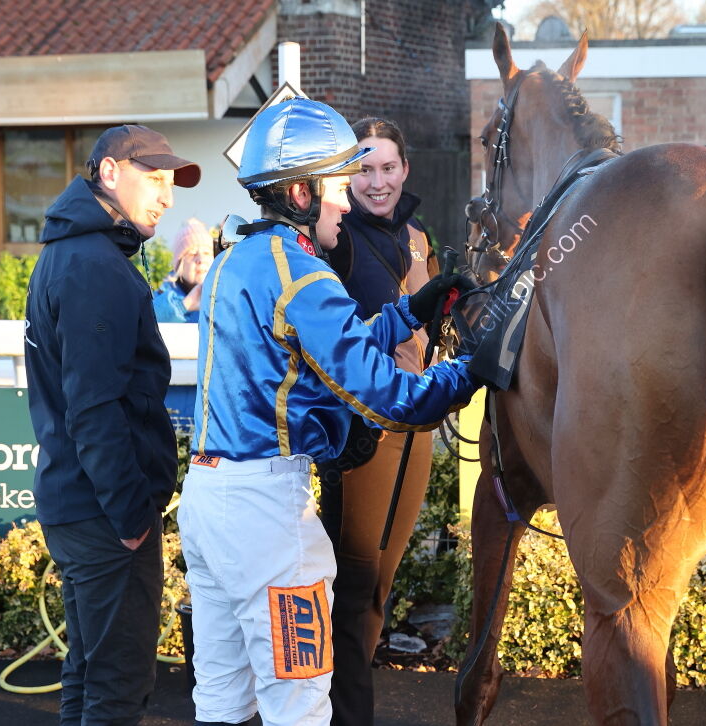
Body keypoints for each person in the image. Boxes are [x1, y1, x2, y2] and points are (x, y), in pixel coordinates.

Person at [178, 97, 476, 726]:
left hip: (207, 503)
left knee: (222, 702)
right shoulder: (304, 274)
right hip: (268, 518)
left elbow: (330, 345)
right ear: (301, 192)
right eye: (339, 186)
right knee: (301, 703)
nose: (346, 202)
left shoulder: (234, 260)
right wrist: (473, 369)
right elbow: (391, 396)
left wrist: (412, 309)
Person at [24, 124, 200, 725]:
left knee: (89, 676)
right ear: (108, 173)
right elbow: (93, 408)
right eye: (155, 179)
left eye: (171, 182)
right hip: (103, 514)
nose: (167, 197)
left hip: (77, 502)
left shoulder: (69, 253)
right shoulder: (94, 266)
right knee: (117, 689)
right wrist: (129, 518)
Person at [319, 116, 438, 726]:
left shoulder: (419, 237)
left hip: (418, 425)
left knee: (382, 580)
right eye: (364, 169)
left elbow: (433, 328)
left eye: (388, 167)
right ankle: (335, 708)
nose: (377, 181)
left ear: (405, 170)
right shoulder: (337, 237)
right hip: (364, 426)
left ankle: (342, 697)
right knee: (355, 578)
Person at [153, 217, 215, 323]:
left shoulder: (224, 294)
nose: (201, 260)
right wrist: (183, 305)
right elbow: (148, 321)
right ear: (179, 265)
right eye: (192, 253)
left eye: (206, 253)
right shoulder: (161, 297)